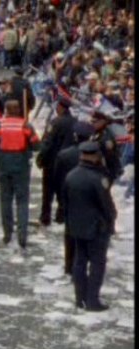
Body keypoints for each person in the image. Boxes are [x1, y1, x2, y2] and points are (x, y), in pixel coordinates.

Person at [63, 141, 117, 312]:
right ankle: (92, 300)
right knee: (97, 263)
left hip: (76, 227)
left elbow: (65, 201)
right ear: (94, 156)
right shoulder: (97, 179)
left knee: (79, 261)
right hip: (96, 228)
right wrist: (111, 221)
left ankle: (80, 298)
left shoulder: (71, 175)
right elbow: (106, 205)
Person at [0, 100, 40, 249]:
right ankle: (22, 235)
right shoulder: (26, 126)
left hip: (3, 165)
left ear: (6, 110)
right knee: (22, 201)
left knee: (6, 200)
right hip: (21, 166)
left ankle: (7, 233)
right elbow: (36, 145)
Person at [54, 121, 96, 275]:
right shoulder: (97, 156)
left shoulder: (64, 155)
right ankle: (84, 263)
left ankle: (69, 264)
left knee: (70, 233)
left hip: (69, 198)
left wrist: (60, 200)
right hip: (90, 200)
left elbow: (57, 179)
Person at [35, 96, 76, 225]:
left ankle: (45, 217)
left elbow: (48, 142)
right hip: (69, 162)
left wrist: (41, 157)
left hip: (53, 161)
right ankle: (61, 216)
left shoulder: (55, 123)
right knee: (63, 191)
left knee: (48, 192)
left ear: (61, 107)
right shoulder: (75, 122)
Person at [90, 110, 122, 182]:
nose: (92, 124)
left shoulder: (106, 138)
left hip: (109, 172)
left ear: (102, 122)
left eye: (95, 122)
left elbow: (110, 158)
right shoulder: (97, 132)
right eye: (92, 122)